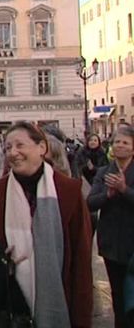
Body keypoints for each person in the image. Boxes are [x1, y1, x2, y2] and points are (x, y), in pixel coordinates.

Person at [0, 121, 93, 328]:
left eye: (20, 145)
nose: (13, 153)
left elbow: (81, 260)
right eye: (8, 147)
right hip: (8, 305)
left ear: (42, 148)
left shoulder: (69, 191)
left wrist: (81, 319)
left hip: (59, 300)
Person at [88, 125, 134, 328]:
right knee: (117, 291)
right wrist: (108, 195)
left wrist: (124, 190)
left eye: (125, 142)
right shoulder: (104, 172)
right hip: (110, 243)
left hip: (132, 241)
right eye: (117, 142)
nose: (120, 146)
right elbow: (90, 202)